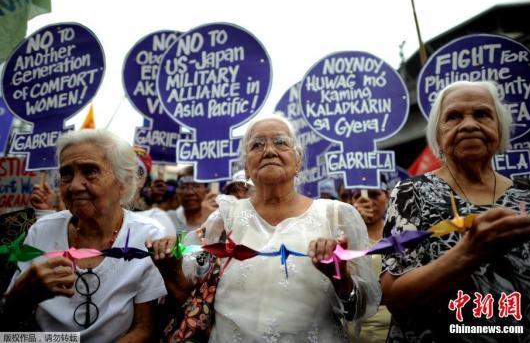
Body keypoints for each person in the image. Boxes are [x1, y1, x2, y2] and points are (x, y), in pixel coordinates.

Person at [149, 114, 381, 342]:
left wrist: (340, 278)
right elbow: (188, 294)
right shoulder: (224, 220)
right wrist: (169, 264)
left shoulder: (337, 216)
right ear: (246, 167)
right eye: (257, 145)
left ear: (298, 161)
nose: (269, 151)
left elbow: (359, 310)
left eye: (281, 142)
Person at [380, 81, 530, 342]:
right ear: (438, 134)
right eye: (454, 116)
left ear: (500, 128)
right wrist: (468, 252)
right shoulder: (410, 193)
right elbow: (394, 296)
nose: (469, 124)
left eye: (482, 114)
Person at [2, 129, 167, 342]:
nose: (74, 186)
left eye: (90, 171)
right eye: (66, 174)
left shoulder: (147, 235)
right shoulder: (42, 230)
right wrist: (22, 295)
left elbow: (144, 328)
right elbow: (9, 318)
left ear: (123, 181)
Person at [339, 177, 391, 343]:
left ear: (388, 197)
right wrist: (352, 221)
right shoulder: (343, 236)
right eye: (358, 196)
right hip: (359, 331)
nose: (367, 200)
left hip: (398, 328)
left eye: (375, 194)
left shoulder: (401, 232)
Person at [166, 166, 218, 233]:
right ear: (177, 191)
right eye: (184, 187)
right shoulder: (168, 219)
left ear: (207, 190)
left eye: (196, 186)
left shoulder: (218, 221)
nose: (190, 192)